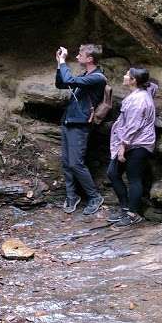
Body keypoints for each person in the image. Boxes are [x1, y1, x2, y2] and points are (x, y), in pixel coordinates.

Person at [55, 43, 108, 215]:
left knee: (76, 163)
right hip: (69, 121)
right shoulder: (86, 75)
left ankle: (94, 197)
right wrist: (59, 63)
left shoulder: (97, 77)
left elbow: (69, 80)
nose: (77, 56)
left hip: (80, 124)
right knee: (66, 163)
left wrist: (64, 62)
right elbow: (61, 83)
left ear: (90, 58)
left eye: (80, 54)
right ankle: (72, 196)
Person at [107, 67, 157, 227]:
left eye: (127, 75)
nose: (124, 76)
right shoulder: (143, 92)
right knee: (113, 173)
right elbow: (153, 87)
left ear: (134, 80)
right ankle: (125, 207)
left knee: (134, 178)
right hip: (133, 142)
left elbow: (133, 126)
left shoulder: (139, 100)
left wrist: (123, 146)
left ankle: (133, 214)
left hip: (138, 144)